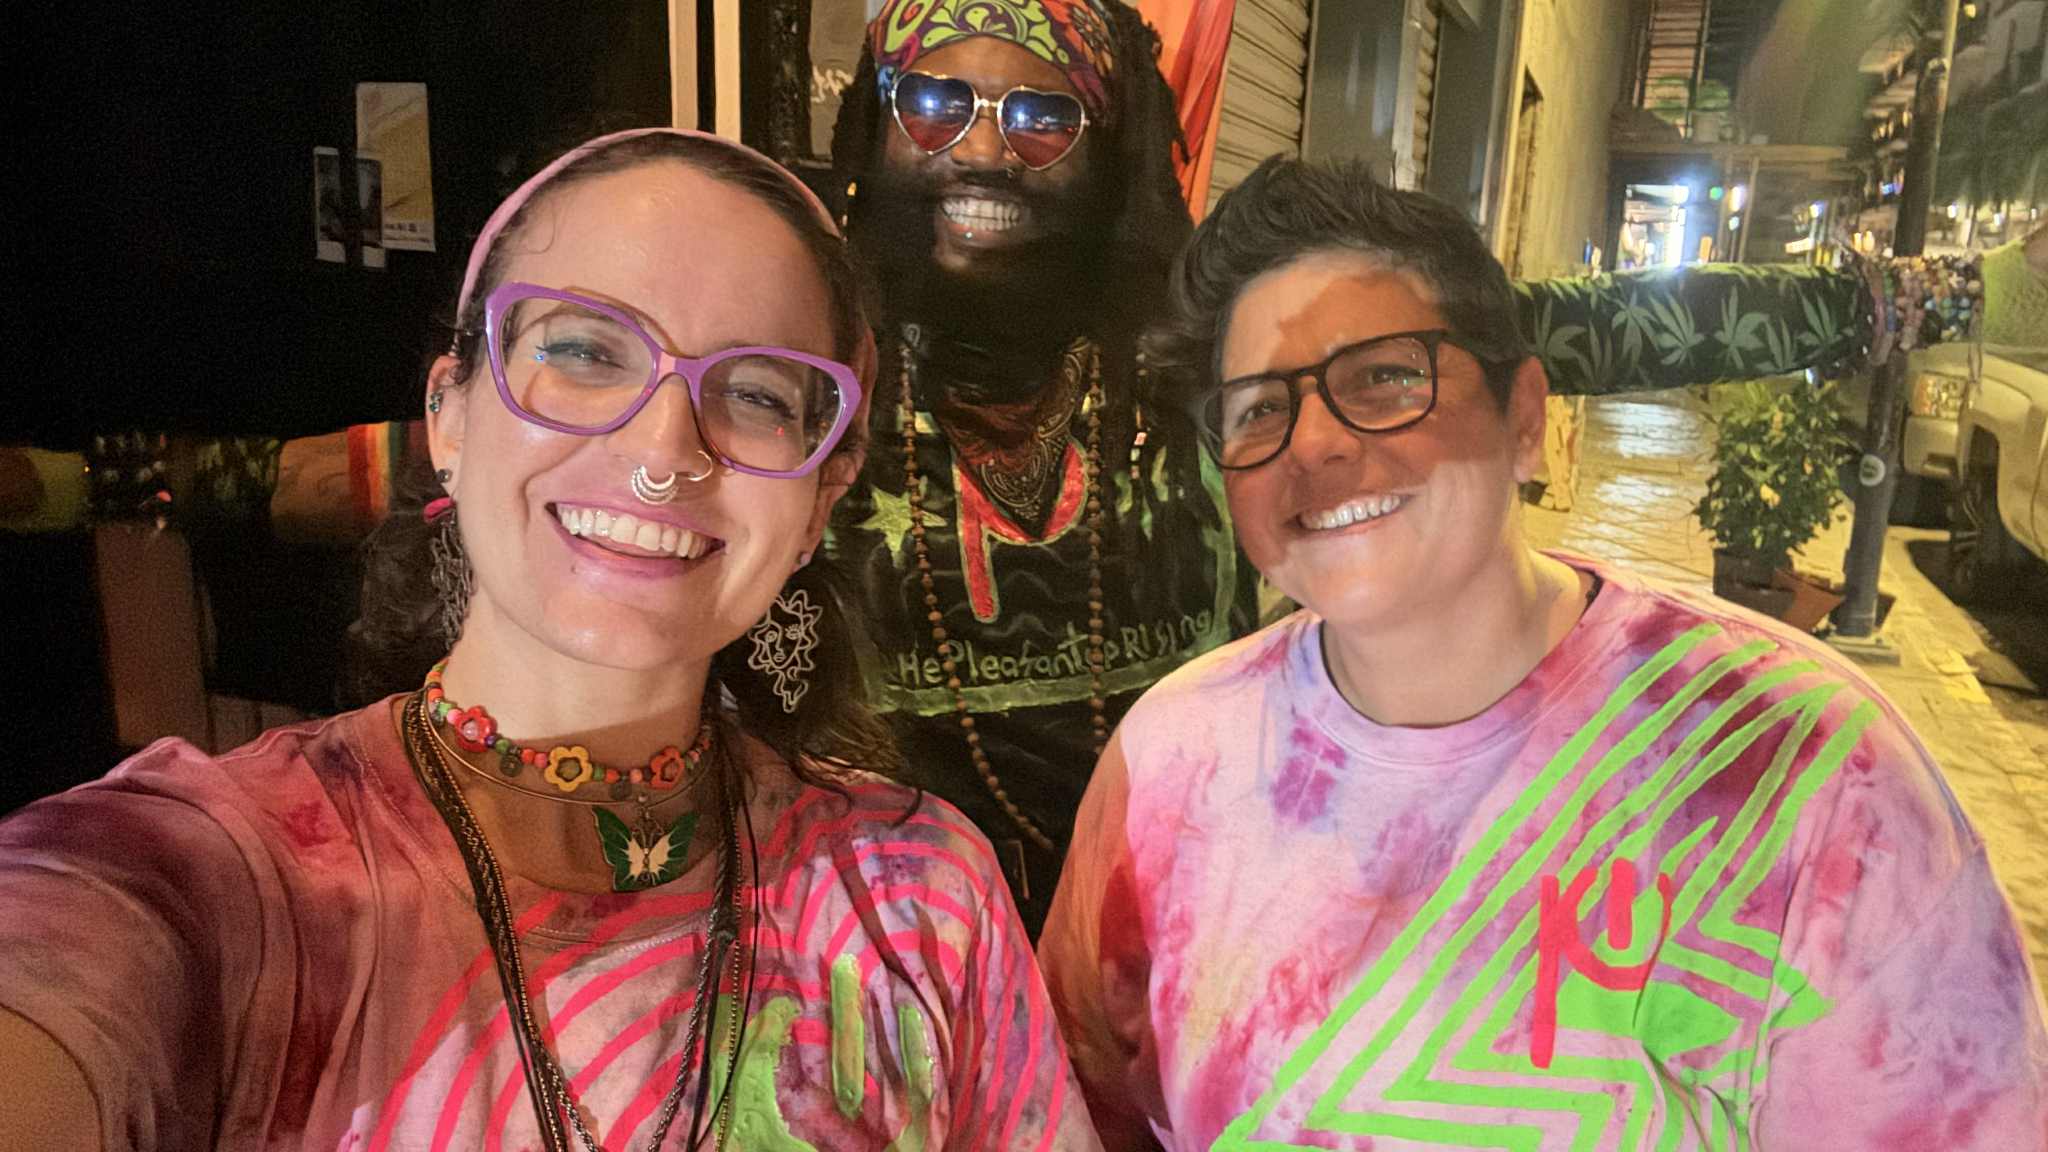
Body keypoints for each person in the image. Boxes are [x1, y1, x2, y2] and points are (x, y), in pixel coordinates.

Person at [1, 129, 1100, 1151]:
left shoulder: (916, 896)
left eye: (759, 395)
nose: (663, 451)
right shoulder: (223, 883)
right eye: (582, 350)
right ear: (449, 414)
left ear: (821, 501)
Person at [1040, 157, 2048, 1150]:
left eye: (1384, 378)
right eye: (1259, 408)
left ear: (1524, 419)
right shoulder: (1171, 765)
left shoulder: (1805, 777)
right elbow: (1074, 1108)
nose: (1313, 444)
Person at [826, 0, 1256, 932]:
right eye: (933, 104)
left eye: (1043, 118)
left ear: (1109, 153)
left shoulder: (1194, 388)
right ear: (873, 125)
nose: (983, 152)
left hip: (1172, 934)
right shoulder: (812, 393)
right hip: (897, 954)